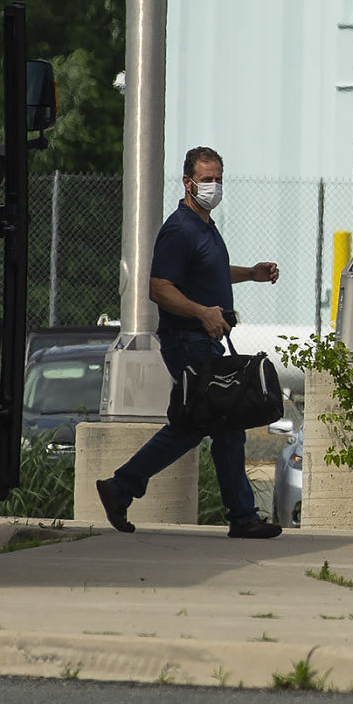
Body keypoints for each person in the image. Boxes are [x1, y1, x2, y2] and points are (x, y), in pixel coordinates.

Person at [94, 146, 284, 539]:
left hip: (205, 340)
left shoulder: (204, 226)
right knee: (209, 421)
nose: (213, 186)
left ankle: (123, 488)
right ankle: (238, 516)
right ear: (187, 182)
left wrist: (251, 273)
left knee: (214, 423)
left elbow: (209, 271)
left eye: (218, 178)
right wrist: (203, 312)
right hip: (187, 341)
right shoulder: (179, 229)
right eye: (207, 179)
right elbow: (159, 289)